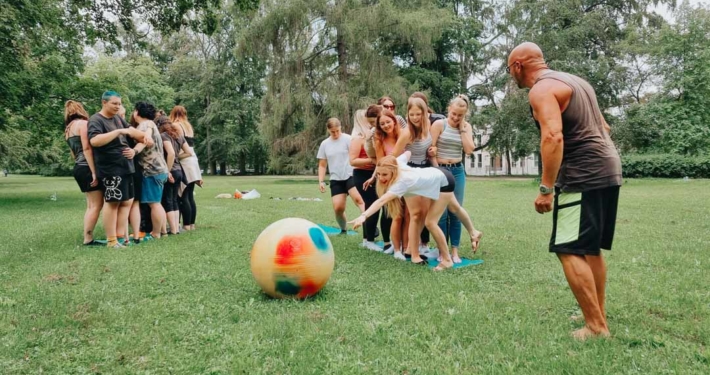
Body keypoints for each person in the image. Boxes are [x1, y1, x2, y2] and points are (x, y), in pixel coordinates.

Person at [508, 42, 622, 340]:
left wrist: (546, 187)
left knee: (569, 248)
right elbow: (605, 128)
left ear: (518, 66)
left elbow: (553, 136)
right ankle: (596, 312)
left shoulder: (541, 90)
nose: (512, 76)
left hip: (582, 173)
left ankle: (596, 327)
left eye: (510, 70)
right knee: (589, 247)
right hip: (608, 167)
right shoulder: (577, 82)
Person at [349, 151, 480, 271]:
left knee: (430, 222)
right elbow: (408, 153)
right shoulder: (397, 163)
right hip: (438, 174)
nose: (381, 178)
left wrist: (364, 215)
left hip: (443, 181)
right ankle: (474, 232)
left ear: (393, 171)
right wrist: (393, 159)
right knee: (454, 208)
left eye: (384, 174)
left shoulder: (401, 182)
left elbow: (381, 201)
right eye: (378, 174)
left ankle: (447, 260)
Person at [88, 91, 151, 249]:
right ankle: (111, 241)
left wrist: (144, 136)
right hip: (110, 168)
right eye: (114, 103)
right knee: (112, 202)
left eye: (119, 103)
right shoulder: (96, 120)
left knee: (126, 202)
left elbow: (131, 131)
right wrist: (118, 132)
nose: (118, 106)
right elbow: (94, 141)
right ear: (104, 102)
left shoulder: (117, 118)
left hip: (125, 167)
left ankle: (119, 237)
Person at [430, 94, 483, 262]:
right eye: (453, 114)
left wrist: (461, 128)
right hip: (441, 170)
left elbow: (469, 149)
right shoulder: (439, 124)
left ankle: (455, 252)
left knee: (456, 211)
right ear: (449, 109)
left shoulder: (466, 127)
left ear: (464, 114)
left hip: (457, 171)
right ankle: (442, 251)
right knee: (442, 213)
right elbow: (430, 150)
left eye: (460, 115)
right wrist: (437, 170)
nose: (455, 117)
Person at [392, 97, 436, 257]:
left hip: (425, 169)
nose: (415, 118)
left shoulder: (428, 125)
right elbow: (393, 157)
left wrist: (432, 151)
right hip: (410, 171)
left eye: (418, 114)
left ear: (425, 113)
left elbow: (429, 146)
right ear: (407, 114)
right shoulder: (407, 133)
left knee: (424, 212)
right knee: (413, 213)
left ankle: (413, 245)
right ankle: (409, 249)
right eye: (412, 115)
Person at [64, 100, 104, 246]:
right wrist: (94, 172)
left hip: (78, 167)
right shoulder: (83, 124)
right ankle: (88, 238)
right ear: (81, 110)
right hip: (87, 166)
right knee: (96, 205)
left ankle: (87, 236)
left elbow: (74, 153)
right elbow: (87, 148)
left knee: (91, 205)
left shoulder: (68, 129)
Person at [317, 118, 365, 233]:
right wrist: (321, 181)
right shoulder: (325, 144)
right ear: (328, 130)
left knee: (359, 200)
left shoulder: (349, 139)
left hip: (351, 175)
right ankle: (343, 229)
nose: (336, 134)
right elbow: (322, 165)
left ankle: (370, 226)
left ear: (340, 128)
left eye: (337, 131)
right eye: (333, 131)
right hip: (336, 179)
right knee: (338, 208)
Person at [131, 102, 169, 240]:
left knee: (154, 203)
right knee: (157, 202)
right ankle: (163, 231)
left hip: (152, 170)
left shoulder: (145, 125)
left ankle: (156, 233)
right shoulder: (150, 124)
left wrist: (134, 151)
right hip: (160, 169)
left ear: (137, 112)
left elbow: (144, 139)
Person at [349, 110, 383, 251]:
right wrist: (373, 160)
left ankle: (368, 238)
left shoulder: (373, 135)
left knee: (375, 206)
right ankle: (368, 240)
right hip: (363, 175)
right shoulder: (358, 138)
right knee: (370, 206)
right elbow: (353, 161)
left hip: (375, 174)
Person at [157, 115, 192, 235]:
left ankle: (172, 229)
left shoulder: (163, 136)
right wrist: (178, 157)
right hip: (179, 171)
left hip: (171, 171)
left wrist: (167, 170)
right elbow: (188, 152)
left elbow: (171, 153)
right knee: (174, 200)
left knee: (167, 200)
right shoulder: (179, 136)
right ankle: (176, 228)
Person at [169, 105, 202, 231]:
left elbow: (179, 144)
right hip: (193, 160)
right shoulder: (188, 125)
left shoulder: (176, 125)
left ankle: (186, 224)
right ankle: (191, 224)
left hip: (184, 159)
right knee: (189, 195)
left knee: (183, 195)